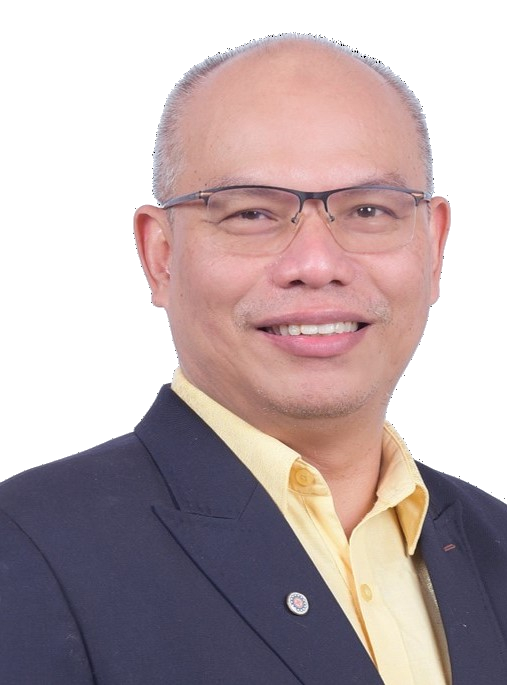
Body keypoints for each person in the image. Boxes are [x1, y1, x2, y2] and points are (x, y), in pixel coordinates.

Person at [0, 34, 505, 685]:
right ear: (160, 256)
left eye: (368, 209)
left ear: (434, 247)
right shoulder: (27, 548)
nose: (316, 265)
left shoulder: (496, 546)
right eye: (252, 213)